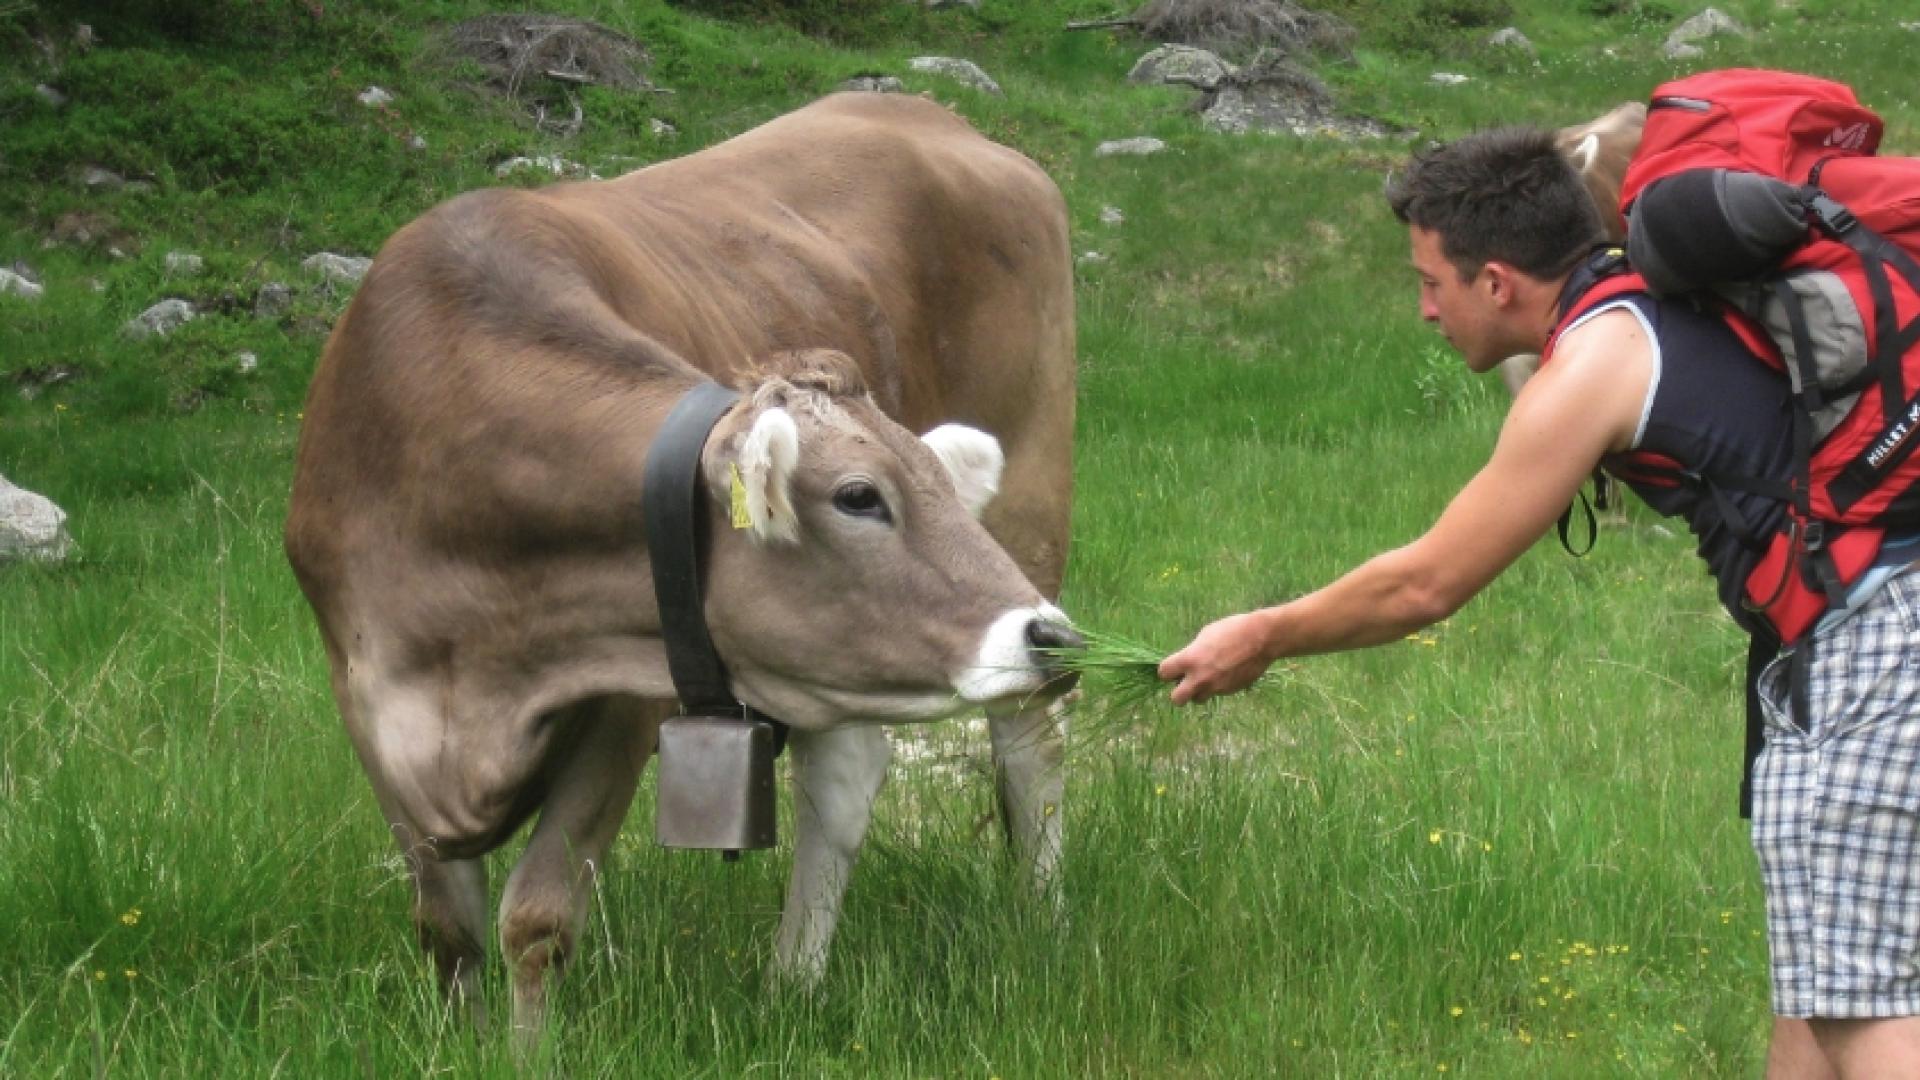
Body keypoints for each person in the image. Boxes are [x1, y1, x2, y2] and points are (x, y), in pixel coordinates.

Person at [1156, 126, 1920, 1078]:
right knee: (1817, 985)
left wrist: (1264, 634)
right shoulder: (1645, 299)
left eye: (1431, 284)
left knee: (1859, 1008)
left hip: (1869, 640)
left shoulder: (1596, 359)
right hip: (1864, 623)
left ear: (1496, 283)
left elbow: (1426, 583)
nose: (1425, 312)